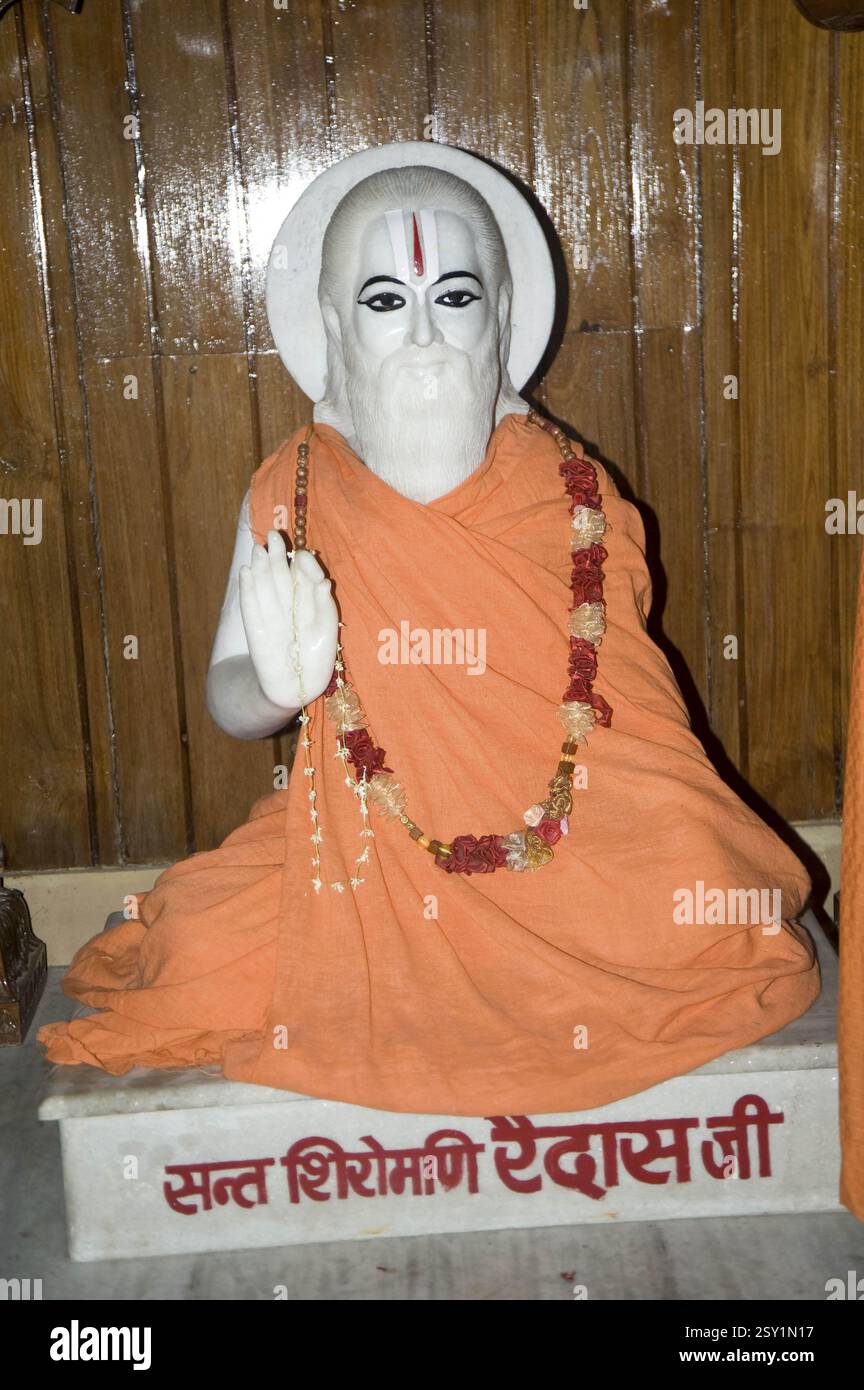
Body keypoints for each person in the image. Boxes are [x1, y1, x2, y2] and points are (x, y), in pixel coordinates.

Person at [39, 147, 819, 1117]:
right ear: (331, 326)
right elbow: (228, 692)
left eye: (453, 299)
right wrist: (277, 686)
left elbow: (630, 718)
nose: (421, 334)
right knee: (194, 944)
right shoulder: (295, 484)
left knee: (714, 902)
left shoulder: (571, 491)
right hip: (360, 841)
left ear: (501, 317)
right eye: (382, 303)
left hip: (574, 843)